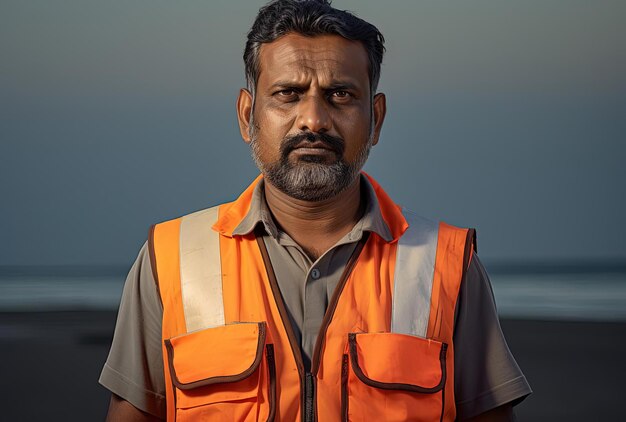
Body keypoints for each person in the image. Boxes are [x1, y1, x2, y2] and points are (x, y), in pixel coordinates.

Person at [100, 1, 531, 420]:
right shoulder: (170, 259)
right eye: (288, 94)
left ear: (376, 119)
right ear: (247, 114)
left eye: (340, 95)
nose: (313, 119)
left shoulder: (448, 265)